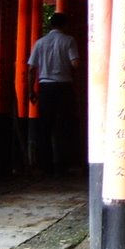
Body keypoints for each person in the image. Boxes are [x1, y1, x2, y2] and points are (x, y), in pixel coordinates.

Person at [27, 12, 81, 175]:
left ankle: (45, 165)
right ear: (65, 25)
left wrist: (31, 90)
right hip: (63, 86)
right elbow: (75, 63)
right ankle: (62, 164)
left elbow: (31, 68)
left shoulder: (40, 43)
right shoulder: (69, 40)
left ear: (51, 25)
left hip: (45, 87)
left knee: (45, 126)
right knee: (64, 125)